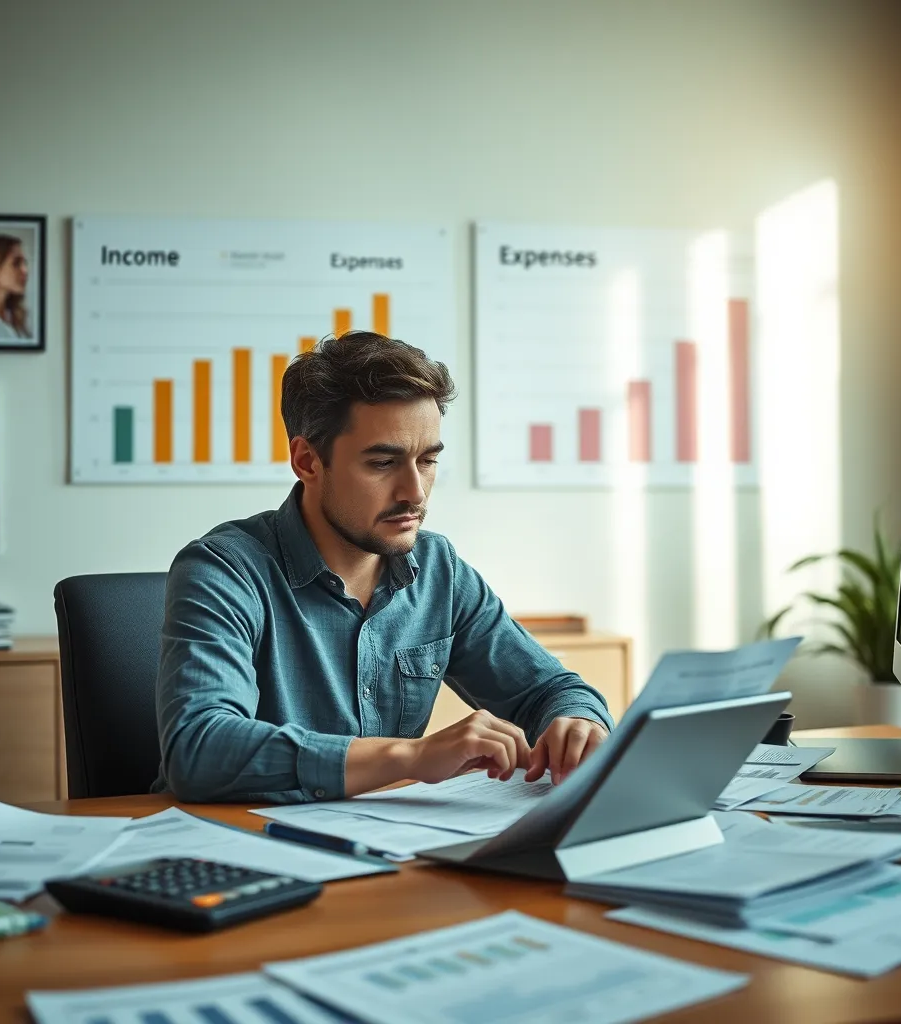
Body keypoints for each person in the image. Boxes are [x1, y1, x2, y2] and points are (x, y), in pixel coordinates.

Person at [154, 332, 613, 804]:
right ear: (307, 460)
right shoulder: (223, 570)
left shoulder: (440, 570)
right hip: (238, 847)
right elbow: (199, 748)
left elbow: (548, 690)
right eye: (382, 462)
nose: (414, 491)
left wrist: (579, 723)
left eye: (428, 460)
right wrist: (407, 757)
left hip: (384, 844)